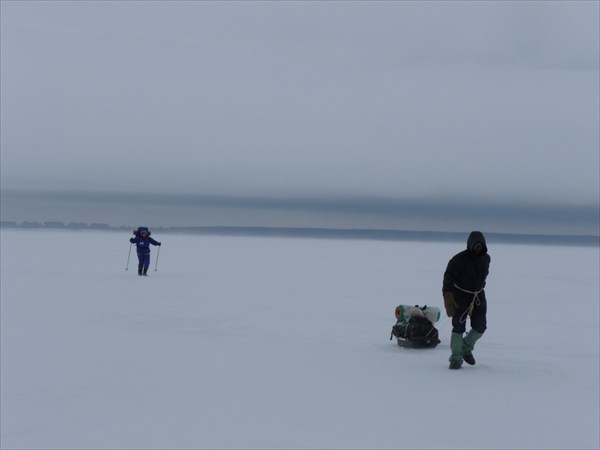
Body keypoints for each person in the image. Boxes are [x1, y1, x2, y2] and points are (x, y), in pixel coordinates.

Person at [442, 231, 490, 370]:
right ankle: (456, 358)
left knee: (480, 327)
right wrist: (448, 296)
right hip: (460, 297)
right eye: (476, 245)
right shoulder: (458, 260)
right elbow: (448, 278)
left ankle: (466, 348)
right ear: (470, 245)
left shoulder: (486, 259)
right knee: (458, 327)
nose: (478, 248)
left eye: (481, 245)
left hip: (478, 297)